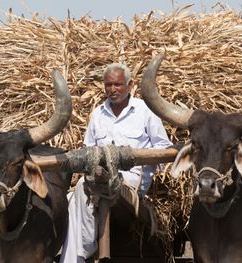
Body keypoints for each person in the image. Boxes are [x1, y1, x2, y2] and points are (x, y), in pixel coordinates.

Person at [60, 63, 172, 263]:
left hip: (132, 179)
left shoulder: (145, 111)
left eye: (118, 85)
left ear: (130, 85)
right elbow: (88, 151)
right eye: (108, 85)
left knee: (84, 187)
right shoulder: (97, 114)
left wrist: (156, 174)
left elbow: (163, 147)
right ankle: (78, 250)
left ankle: (82, 250)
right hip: (99, 177)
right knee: (70, 198)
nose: (112, 89)